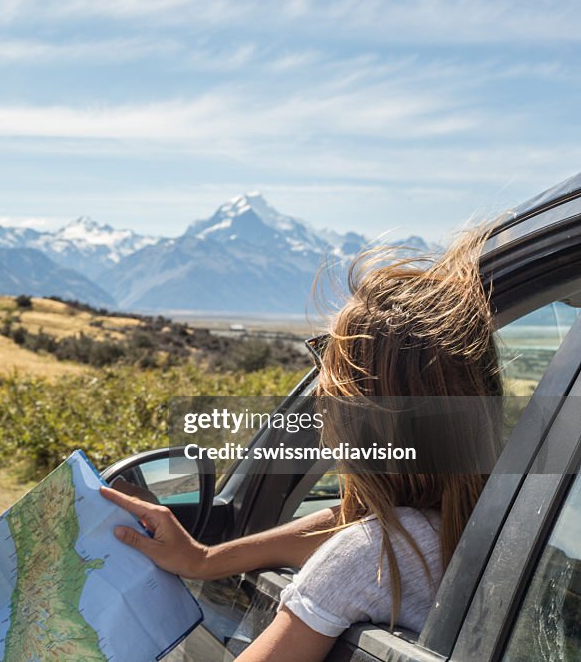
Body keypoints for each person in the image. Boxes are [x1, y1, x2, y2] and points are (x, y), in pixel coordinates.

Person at [101, 227, 503, 662]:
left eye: (327, 373)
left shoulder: (370, 558)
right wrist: (203, 560)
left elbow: (361, 545)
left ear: (359, 420)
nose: (318, 397)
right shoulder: (493, 521)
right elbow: (349, 525)